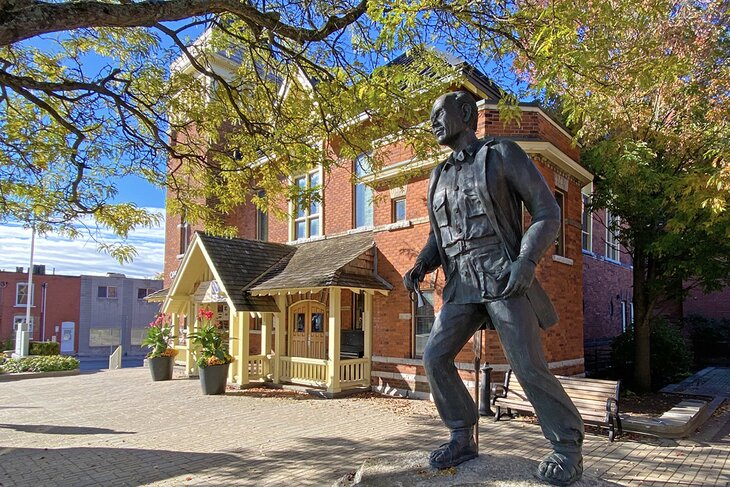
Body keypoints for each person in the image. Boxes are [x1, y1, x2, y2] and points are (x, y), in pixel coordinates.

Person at [403, 90, 584, 486]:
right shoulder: (438, 175)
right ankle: (461, 436)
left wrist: (527, 260)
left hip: (502, 274)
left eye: (439, 114)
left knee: (527, 365)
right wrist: (421, 263)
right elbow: (440, 234)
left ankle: (568, 448)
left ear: (466, 113)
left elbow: (546, 211)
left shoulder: (501, 154)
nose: (432, 122)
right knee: (434, 356)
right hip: (461, 283)